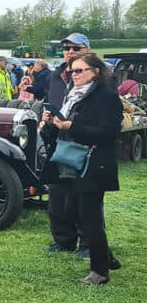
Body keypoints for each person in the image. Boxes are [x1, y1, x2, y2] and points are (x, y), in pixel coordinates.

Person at [39, 53, 122, 285]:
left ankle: (100, 272)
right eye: (72, 71)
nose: (74, 75)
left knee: (89, 216)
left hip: (94, 164)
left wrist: (71, 126)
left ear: (95, 71)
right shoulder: (73, 95)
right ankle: (106, 258)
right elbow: (63, 131)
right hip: (73, 162)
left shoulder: (106, 96)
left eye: (80, 70)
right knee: (72, 209)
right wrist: (50, 123)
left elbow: (108, 133)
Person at [43, 33, 92, 256]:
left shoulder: (98, 78)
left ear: (87, 50)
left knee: (83, 196)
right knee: (57, 194)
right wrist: (47, 117)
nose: (70, 51)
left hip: (84, 144)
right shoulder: (55, 76)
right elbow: (51, 101)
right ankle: (63, 240)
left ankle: (88, 244)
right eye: (66, 48)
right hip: (57, 141)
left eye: (75, 48)